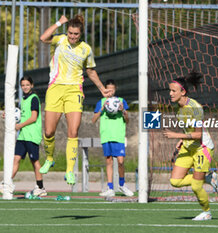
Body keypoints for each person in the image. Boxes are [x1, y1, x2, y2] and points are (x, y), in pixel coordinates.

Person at [38, 15, 112, 185]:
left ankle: (70, 170)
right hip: (55, 88)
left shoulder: (86, 49)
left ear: (81, 34)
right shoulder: (60, 40)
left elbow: (91, 71)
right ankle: (49, 158)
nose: (72, 36)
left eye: (76, 34)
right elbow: (43, 38)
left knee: (73, 131)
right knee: (49, 132)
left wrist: (102, 89)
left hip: (74, 91)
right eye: (70, 33)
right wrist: (59, 23)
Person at [163, 71, 218, 221]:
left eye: (174, 91)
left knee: (195, 186)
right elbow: (187, 128)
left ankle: (207, 212)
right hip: (188, 146)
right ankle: (208, 178)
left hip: (202, 148)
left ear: (183, 92)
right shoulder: (177, 107)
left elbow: (198, 134)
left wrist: (176, 136)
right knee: (175, 181)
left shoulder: (195, 107)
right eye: (170, 90)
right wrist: (181, 140)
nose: (170, 93)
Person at [0, 76, 46, 196]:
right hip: (23, 136)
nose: (25, 87)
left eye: (27, 85)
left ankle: (40, 187)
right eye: (23, 85)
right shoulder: (23, 99)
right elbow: (19, 114)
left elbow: (33, 117)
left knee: (34, 161)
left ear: (32, 85)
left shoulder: (34, 98)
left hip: (32, 135)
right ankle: (7, 183)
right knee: (15, 159)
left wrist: (20, 126)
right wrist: (8, 115)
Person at [92, 79, 133, 197]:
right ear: (105, 90)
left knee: (120, 161)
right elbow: (93, 120)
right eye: (108, 90)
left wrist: (123, 111)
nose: (110, 92)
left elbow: (128, 120)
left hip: (118, 135)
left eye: (112, 90)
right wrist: (102, 108)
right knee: (109, 161)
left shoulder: (121, 101)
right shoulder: (101, 102)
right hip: (106, 135)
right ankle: (110, 188)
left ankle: (122, 184)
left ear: (115, 90)